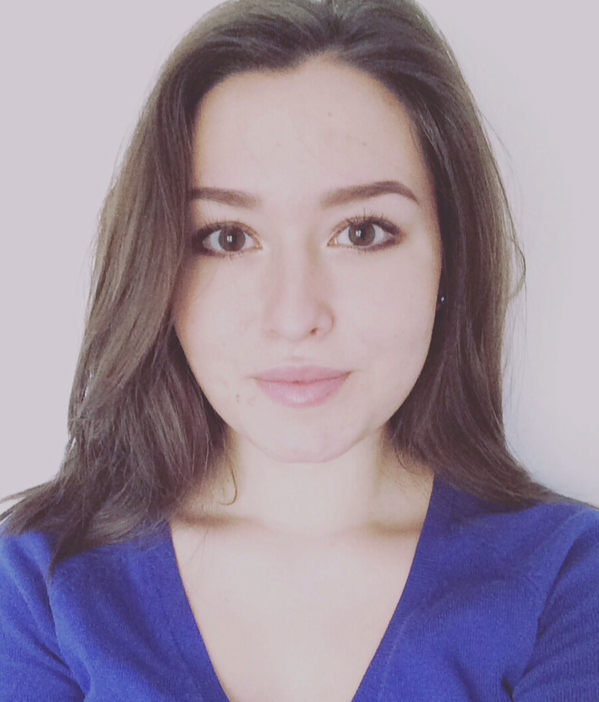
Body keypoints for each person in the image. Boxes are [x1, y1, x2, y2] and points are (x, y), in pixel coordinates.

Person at [1, 0, 598, 700]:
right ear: (158, 267)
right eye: (228, 238)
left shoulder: (568, 582)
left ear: (451, 255)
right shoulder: (40, 587)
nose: (295, 316)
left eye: (363, 232)